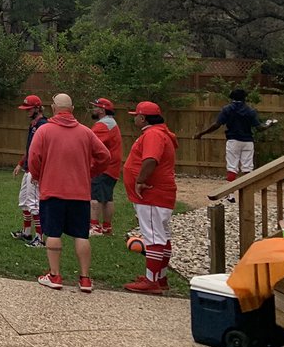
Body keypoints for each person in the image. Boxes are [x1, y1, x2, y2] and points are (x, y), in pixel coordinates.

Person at [27, 94, 110, 293]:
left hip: (53, 190)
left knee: (53, 232)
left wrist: (38, 175)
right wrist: (91, 171)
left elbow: (34, 158)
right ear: (71, 109)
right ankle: (85, 279)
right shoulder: (86, 132)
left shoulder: (44, 131)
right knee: (81, 235)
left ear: (54, 108)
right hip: (79, 193)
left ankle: (55, 275)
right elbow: (104, 156)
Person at [123, 100, 178, 294]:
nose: (134, 118)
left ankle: (151, 281)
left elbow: (151, 160)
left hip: (152, 192)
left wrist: (139, 180)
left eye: (136, 115)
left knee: (153, 236)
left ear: (143, 117)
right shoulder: (159, 132)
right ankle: (159, 277)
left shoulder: (154, 134)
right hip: (159, 193)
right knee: (161, 235)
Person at [195, 88, 272, 183]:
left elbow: (216, 125)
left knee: (232, 167)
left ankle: (230, 195)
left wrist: (201, 133)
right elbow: (259, 128)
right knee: (247, 168)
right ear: (245, 98)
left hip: (233, 140)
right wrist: (269, 124)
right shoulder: (250, 111)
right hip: (248, 141)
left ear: (232, 98)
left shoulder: (227, 109)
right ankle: (247, 194)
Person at [11, 94, 48, 247]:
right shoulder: (34, 124)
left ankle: (40, 238)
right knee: (24, 200)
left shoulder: (43, 125)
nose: (27, 111)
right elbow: (30, 148)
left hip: (35, 169)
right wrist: (21, 163)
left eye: (29, 108)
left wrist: (36, 171)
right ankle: (27, 232)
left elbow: (41, 151)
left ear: (38, 108)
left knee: (34, 203)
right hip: (28, 168)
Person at [89, 98, 123, 235]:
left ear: (102, 110)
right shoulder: (111, 123)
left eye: (95, 107)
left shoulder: (102, 126)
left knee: (94, 197)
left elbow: (92, 144)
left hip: (102, 167)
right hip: (112, 167)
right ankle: (107, 227)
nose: (93, 110)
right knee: (108, 198)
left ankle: (95, 226)